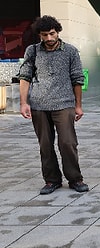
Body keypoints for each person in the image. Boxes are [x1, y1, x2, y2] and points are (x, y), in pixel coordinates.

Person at [16, 15, 89, 195]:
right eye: (44, 35)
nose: (49, 38)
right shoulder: (32, 51)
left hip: (64, 104)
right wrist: (24, 103)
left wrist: (78, 105)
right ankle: (51, 180)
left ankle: (75, 178)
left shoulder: (71, 51)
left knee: (68, 143)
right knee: (45, 145)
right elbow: (24, 77)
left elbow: (77, 79)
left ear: (58, 32)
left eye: (52, 33)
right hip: (39, 105)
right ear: (39, 35)